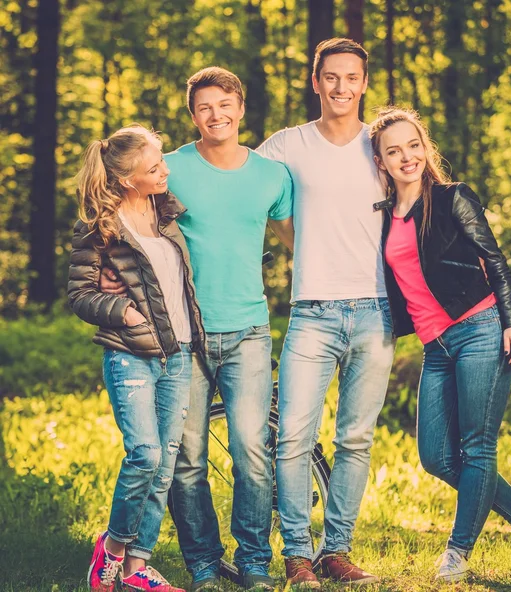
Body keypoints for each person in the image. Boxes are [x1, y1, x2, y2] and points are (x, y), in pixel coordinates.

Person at [99, 67, 294, 591]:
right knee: (185, 459)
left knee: (253, 449)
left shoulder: (272, 175)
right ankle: (203, 564)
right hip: (183, 336)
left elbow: (297, 235)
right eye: (204, 107)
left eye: (224, 104)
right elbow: (122, 213)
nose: (216, 115)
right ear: (193, 115)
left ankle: (254, 561)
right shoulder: (171, 168)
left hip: (249, 327)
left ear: (241, 107)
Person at [369, 107, 511, 582]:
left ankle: (456, 554)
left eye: (413, 145)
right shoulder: (382, 217)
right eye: (394, 151)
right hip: (436, 346)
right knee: (436, 456)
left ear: (424, 147)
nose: (406, 156)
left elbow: (493, 260)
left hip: (480, 327)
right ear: (382, 162)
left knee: (477, 447)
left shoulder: (452, 198)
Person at [257, 38, 395, 588]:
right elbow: (239, 181)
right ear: (315, 83)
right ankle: (297, 554)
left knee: (355, 439)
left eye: (352, 77)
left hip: (377, 311)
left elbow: (422, 203)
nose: (341, 87)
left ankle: (335, 551)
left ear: (365, 84)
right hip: (311, 311)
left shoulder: (381, 144)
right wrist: (293, 237)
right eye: (330, 77)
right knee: (293, 435)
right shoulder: (289, 144)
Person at [68, 124, 205, 592]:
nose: (165, 169)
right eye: (154, 166)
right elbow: (79, 293)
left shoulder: (166, 211)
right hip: (130, 353)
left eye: (162, 160)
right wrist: (121, 310)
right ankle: (112, 547)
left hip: (179, 351)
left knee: (165, 461)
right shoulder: (100, 228)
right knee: (144, 453)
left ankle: (135, 568)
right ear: (129, 180)